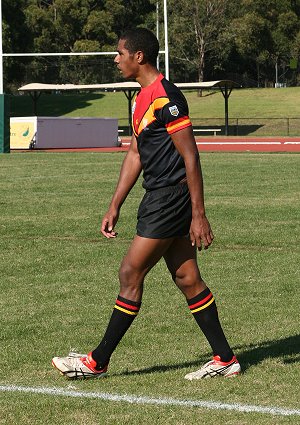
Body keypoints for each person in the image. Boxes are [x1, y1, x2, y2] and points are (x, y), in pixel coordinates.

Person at [52, 28, 241, 380]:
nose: (115, 58)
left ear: (138, 56)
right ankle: (226, 359)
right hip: (158, 196)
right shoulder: (141, 98)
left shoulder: (166, 97)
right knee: (187, 278)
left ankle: (97, 361)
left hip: (170, 198)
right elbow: (136, 153)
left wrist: (198, 214)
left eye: (119, 52)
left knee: (130, 273)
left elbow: (191, 156)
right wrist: (114, 205)